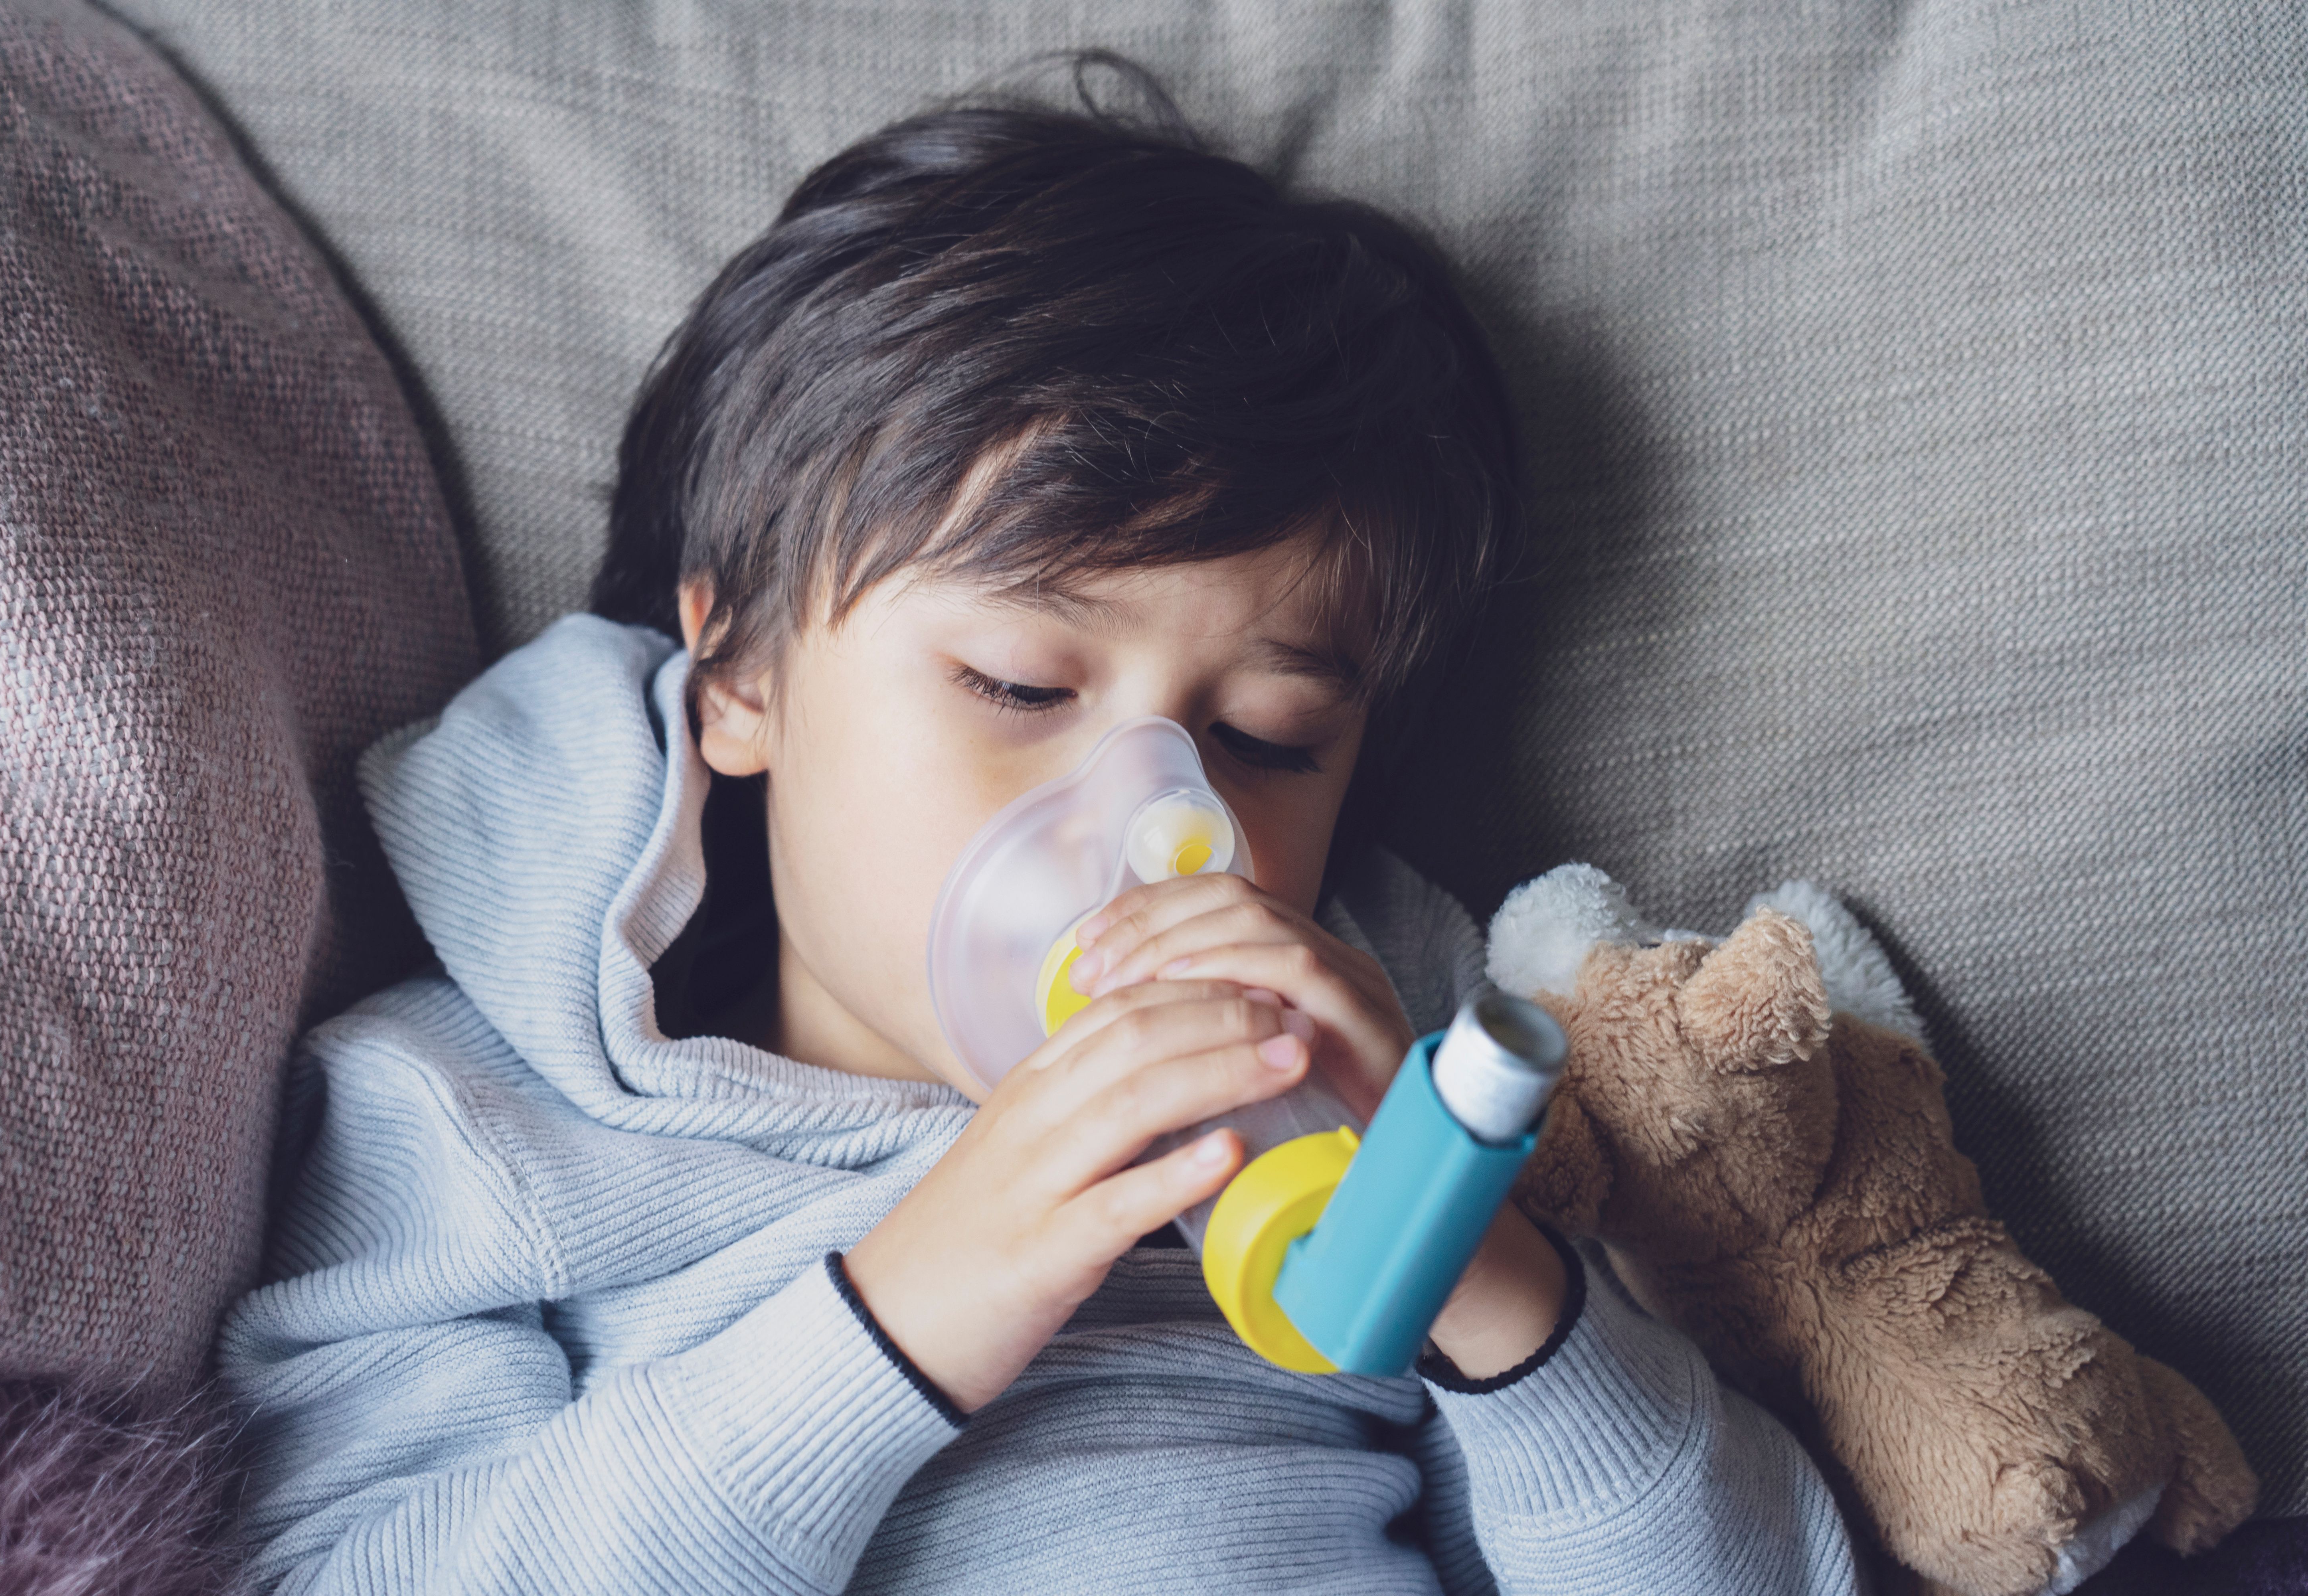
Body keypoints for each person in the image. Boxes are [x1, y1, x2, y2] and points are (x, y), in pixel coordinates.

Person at [219, 56, 1865, 1594]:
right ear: (737, 675)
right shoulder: (469, 1118)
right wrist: (901, 1321)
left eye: (1262, 737)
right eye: (1017, 683)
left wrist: (1485, 1282)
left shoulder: (1387, 1093)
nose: (1165, 824)